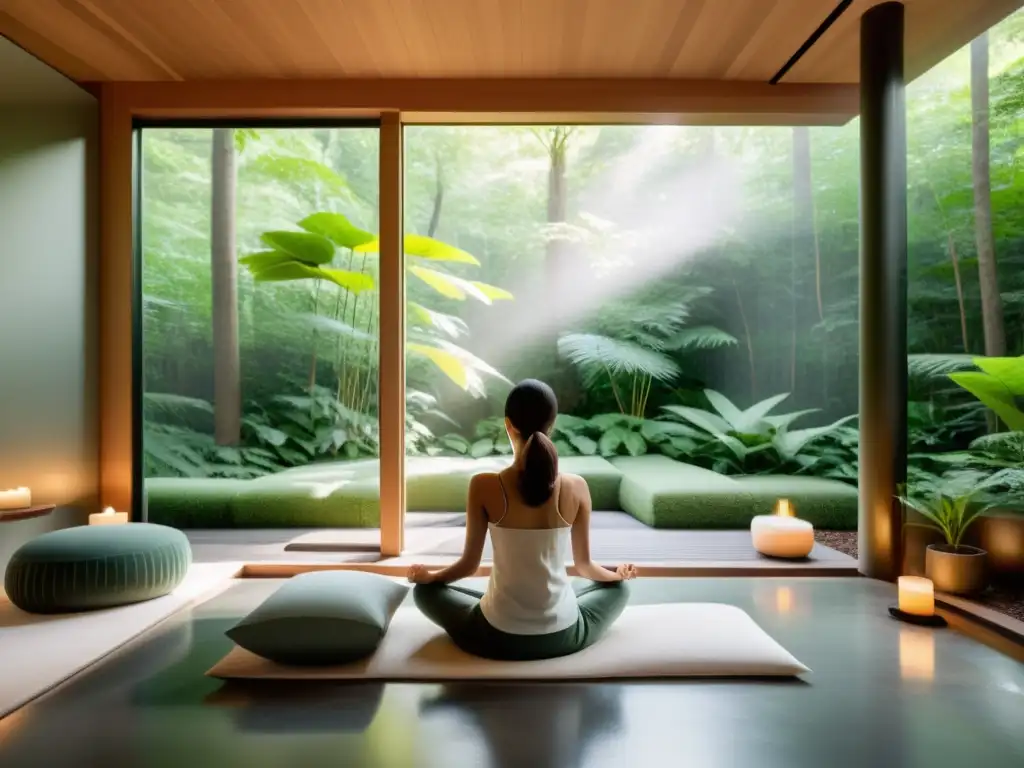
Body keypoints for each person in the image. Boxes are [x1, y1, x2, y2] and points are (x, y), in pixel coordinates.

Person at [408, 378, 636, 661]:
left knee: (425, 593)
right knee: (619, 590)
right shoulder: (577, 487)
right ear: (552, 426)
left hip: (495, 637)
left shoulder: (483, 485)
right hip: (563, 635)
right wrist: (617, 576)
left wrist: (428, 578)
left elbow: (469, 565)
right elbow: (585, 566)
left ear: (508, 424)